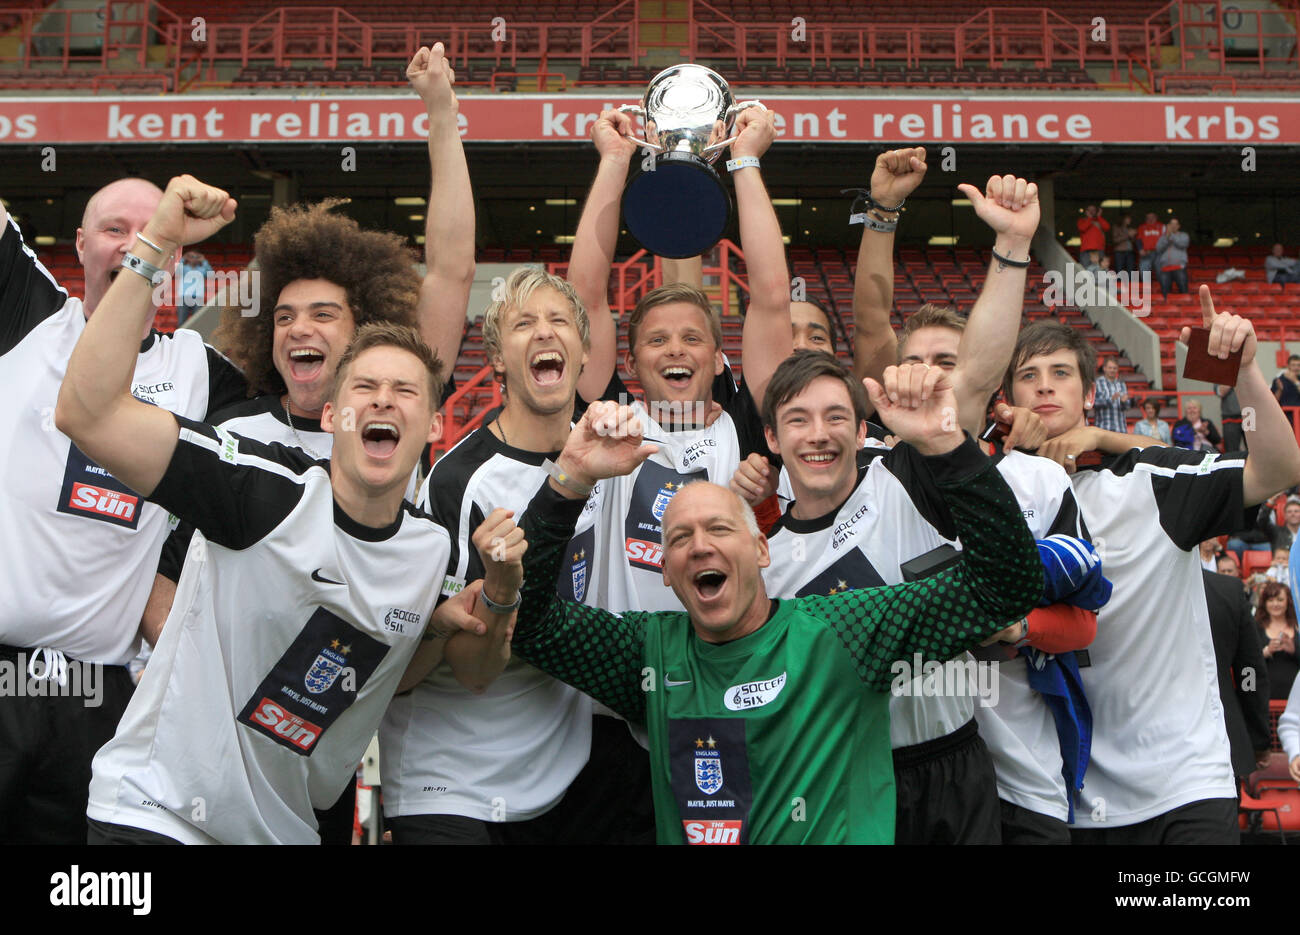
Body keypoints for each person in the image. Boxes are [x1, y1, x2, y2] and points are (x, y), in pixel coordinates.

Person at [56, 175, 500, 844]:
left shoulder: (430, 543)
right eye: (285, 315)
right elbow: (88, 415)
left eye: (401, 390)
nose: (383, 400)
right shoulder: (251, 474)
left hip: (286, 817)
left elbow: (391, 669)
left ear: (435, 420)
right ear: (333, 409)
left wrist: (446, 622)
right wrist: (157, 246)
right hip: (163, 806)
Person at [140, 43, 477, 844]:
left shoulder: (386, 430)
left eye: (325, 314)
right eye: (285, 315)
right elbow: (160, 579)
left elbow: (454, 271)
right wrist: (201, 686)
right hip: (200, 763)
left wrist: (439, 114)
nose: (300, 327)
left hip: (313, 767)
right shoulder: (234, 433)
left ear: (364, 335)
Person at [503, 365, 1045, 844]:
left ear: (762, 547)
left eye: (719, 527)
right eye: (679, 538)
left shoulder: (846, 630)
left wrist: (947, 444)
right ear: (664, 572)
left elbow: (1006, 587)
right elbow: (527, 626)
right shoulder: (646, 654)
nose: (701, 546)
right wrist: (568, 482)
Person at [751, 351, 1106, 845]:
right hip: (843, 783)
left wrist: (1011, 267)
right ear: (771, 437)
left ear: (861, 432)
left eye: (836, 417)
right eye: (797, 420)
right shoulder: (765, 563)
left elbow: (979, 370)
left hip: (953, 767)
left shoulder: (904, 479)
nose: (817, 434)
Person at [0, 178, 249, 844]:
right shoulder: (28, 313)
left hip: (100, 695)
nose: (135, 242)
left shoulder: (199, 371)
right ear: (79, 245)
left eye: (151, 231)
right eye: (115, 228)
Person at [1005, 284, 1300, 843]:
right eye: (1028, 374)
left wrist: (1245, 376)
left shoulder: (1152, 480)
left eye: (1061, 372)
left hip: (1184, 782)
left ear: (1091, 395)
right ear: (1006, 399)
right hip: (1071, 791)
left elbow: (1280, 469)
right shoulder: (994, 499)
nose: (1044, 383)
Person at [379, 266, 652, 845]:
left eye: (559, 321)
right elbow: (460, 655)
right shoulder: (462, 478)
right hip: (451, 779)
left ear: (582, 353)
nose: (544, 332)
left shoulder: (613, 455)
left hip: (557, 776)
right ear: (499, 359)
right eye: (524, 324)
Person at [561, 106, 793, 616]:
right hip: (621, 678)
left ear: (716, 359)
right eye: (657, 340)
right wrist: (616, 161)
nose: (675, 350)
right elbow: (584, 300)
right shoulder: (611, 422)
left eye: (692, 338)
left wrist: (746, 163)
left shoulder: (748, 431)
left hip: (730, 672)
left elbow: (773, 300)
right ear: (631, 360)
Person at [1202, 568, 1272, 786]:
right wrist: (1259, 739)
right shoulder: (1228, 590)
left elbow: (1249, 673)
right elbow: (1249, 673)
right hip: (1220, 744)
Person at [1256, 580, 1299, 701]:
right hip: (1266, 694)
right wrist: (1266, 652)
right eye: (1270, 600)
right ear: (1264, 603)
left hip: (1295, 695)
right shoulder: (1255, 627)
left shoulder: (1298, 626)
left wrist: (1294, 650)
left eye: (1280, 600)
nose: (1275, 604)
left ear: (1288, 602)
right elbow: (1247, 664)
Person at [1091, 357, 1130, 434]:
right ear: (1104, 368)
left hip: (1120, 429)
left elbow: (1127, 407)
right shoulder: (1097, 383)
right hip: (1103, 428)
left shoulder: (1121, 384)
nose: (1112, 370)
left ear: (1117, 369)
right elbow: (1093, 403)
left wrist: (1123, 402)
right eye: (1110, 368)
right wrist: (1110, 400)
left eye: (1114, 368)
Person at [1154, 217, 1189, 297]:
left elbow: (1182, 244)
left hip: (1179, 267)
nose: (1173, 226)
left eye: (1175, 224)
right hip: (1165, 268)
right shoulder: (1163, 237)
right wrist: (1167, 237)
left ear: (1178, 226)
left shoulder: (1184, 235)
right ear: (1168, 225)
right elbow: (1158, 248)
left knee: (1183, 291)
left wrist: (1171, 235)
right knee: (1165, 293)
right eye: (1171, 224)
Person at [176, 249, 211, 327]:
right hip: (184, 296)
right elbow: (177, 269)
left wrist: (204, 260)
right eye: (191, 257)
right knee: (181, 321)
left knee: (198, 321)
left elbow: (211, 274)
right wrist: (184, 258)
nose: (194, 259)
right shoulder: (184, 268)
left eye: (196, 257)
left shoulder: (202, 269)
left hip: (198, 297)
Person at [1076, 205, 1109, 269]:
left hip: (1099, 250)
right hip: (1086, 251)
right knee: (1086, 271)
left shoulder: (1100, 220)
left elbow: (1107, 227)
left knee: (1100, 270)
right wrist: (1090, 218)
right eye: (1089, 210)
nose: (1091, 211)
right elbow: (1082, 228)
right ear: (1086, 212)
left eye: (1093, 210)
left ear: (1096, 211)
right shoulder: (1081, 220)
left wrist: (1099, 216)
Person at [1218, 382, 1245, 452]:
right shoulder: (1221, 374)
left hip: (1249, 414)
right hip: (1230, 417)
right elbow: (1221, 392)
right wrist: (1234, 375)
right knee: (1231, 451)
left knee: (1254, 450)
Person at [1136, 212, 1164, 276]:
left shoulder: (1162, 226)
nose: (1150, 219)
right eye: (1148, 217)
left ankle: (1162, 285)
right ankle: (1147, 286)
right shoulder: (1142, 227)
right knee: (1144, 272)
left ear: (1156, 218)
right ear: (1146, 218)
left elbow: (1166, 239)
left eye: (1152, 217)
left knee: (1161, 272)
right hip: (1146, 253)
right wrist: (1140, 249)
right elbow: (1138, 239)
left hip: (1159, 253)